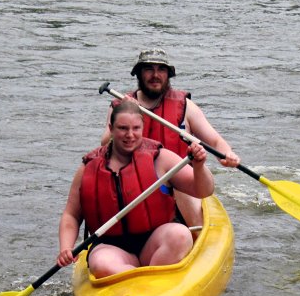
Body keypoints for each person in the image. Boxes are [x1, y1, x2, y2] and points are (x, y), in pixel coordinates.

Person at [56, 101, 214, 279]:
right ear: (111, 128)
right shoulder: (88, 168)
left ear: (143, 127)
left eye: (136, 128)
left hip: (154, 243)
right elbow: (71, 214)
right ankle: (140, 279)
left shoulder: (161, 158)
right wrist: (66, 247)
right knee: (100, 264)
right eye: (123, 128)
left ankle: (151, 280)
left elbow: (204, 190)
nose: (130, 135)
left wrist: (199, 167)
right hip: (112, 247)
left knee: (181, 235)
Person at [100, 47, 240, 225]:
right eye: (149, 69)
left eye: (161, 70)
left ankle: (197, 237)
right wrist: (127, 113)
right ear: (139, 74)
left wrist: (227, 154)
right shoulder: (121, 105)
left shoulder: (186, 106)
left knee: (181, 187)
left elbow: (214, 141)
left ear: (168, 75)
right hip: (132, 182)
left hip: (177, 183)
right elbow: (104, 146)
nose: (155, 75)